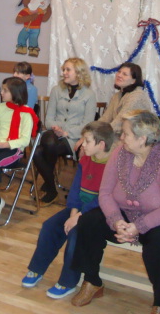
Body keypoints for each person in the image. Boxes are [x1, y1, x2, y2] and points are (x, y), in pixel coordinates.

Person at [70, 111, 160, 314]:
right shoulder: (119, 153)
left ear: (142, 139)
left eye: (125, 134)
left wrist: (139, 226)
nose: (121, 138)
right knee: (89, 222)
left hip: (155, 218)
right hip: (122, 214)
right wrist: (116, 221)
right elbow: (105, 193)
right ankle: (92, 280)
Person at [22, 121, 114, 299]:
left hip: (97, 213)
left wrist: (78, 217)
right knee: (50, 226)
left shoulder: (112, 165)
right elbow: (75, 189)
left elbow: (103, 198)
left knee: (75, 234)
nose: (82, 144)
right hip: (79, 209)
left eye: (86, 141)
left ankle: (68, 281)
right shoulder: (86, 158)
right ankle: (37, 269)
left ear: (101, 145)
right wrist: (73, 212)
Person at [34, 58, 97, 205]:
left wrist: (66, 133)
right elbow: (49, 117)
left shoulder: (89, 95)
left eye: (68, 70)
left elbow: (87, 124)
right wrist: (55, 128)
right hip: (53, 133)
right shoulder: (57, 90)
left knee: (39, 152)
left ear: (79, 73)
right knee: (46, 143)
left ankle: (50, 185)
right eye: (64, 70)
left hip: (73, 138)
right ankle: (51, 187)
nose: (64, 73)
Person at [0, 77, 38, 223]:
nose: (1, 93)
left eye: (5, 90)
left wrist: (2, 145)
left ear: (15, 93)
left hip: (12, 149)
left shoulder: (26, 113)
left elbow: (24, 140)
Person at [98, 62, 152, 135]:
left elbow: (120, 121)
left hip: (135, 138)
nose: (119, 75)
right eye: (119, 72)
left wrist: (98, 134)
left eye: (124, 74)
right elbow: (105, 118)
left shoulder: (137, 95)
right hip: (118, 135)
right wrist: (93, 130)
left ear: (134, 81)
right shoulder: (117, 95)